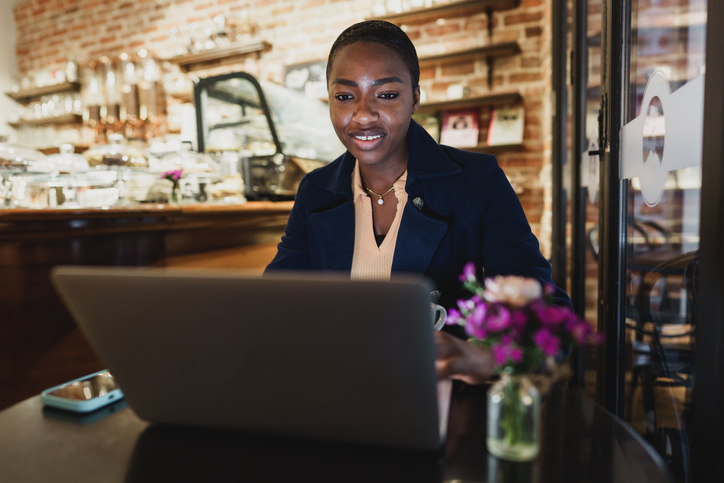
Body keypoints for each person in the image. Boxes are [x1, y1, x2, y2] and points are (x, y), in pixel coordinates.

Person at [265, 20, 571, 385]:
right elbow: (273, 309)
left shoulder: (476, 181)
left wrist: (476, 356)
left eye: (387, 94)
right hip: (335, 397)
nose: (362, 114)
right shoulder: (316, 191)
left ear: (415, 98)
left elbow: (550, 321)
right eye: (345, 96)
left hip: (436, 407)